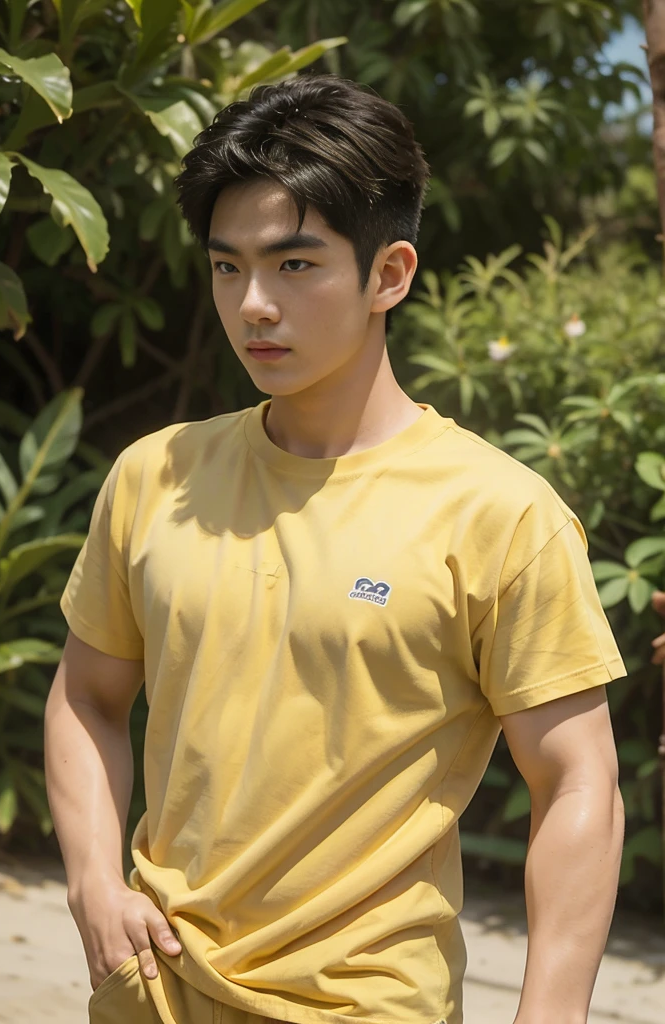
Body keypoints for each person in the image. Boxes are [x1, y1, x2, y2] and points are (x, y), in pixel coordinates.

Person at [44, 73, 627, 1024]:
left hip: (365, 1005)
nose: (253, 306)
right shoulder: (157, 476)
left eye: (296, 265)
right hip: (150, 996)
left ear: (389, 274)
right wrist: (91, 883)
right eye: (227, 267)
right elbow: (86, 697)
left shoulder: (500, 515)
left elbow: (579, 784)